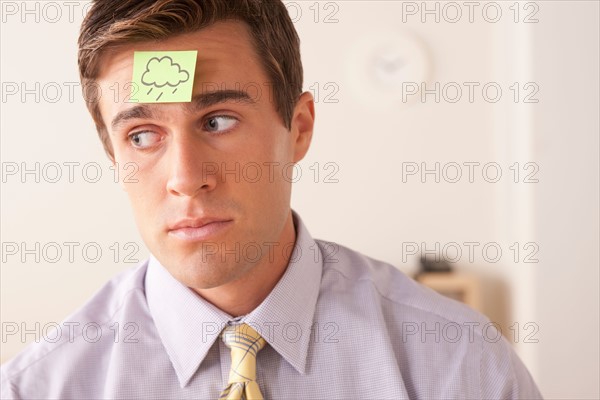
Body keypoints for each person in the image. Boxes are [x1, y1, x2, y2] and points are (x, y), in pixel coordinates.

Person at [0, 0, 543, 399]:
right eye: (142, 134)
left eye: (218, 121)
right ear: (114, 155)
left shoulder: (461, 368)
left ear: (299, 128)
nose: (186, 178)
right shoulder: (40, 387)